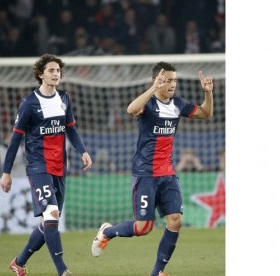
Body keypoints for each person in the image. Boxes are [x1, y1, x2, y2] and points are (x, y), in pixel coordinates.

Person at [91, 62, 213, 276]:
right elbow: (131, 110)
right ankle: (107, 232)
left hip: (168, 173)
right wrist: (152, 89)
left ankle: (157, 272)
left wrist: (208, 94)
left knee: (176, 220)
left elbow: (205, 113)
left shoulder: (178, 104)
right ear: (157, 81)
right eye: (167, 80)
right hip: (146, 174)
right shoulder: (147, 104)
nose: (172, 84)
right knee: (143, 228)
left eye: (174, 80)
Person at [0, 54, 93, 276]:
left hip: (60, 166)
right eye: (51, 70)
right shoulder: (29, 103)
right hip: (38, 166)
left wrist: (83, 151)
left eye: (58, 70)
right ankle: (63, 271)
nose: (56, 74)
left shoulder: (64, 98)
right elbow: (15, 140)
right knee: (51, 214)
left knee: (49, 221)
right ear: (41, 74)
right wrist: (6, 172)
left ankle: (19, 263)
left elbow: (70, 128)